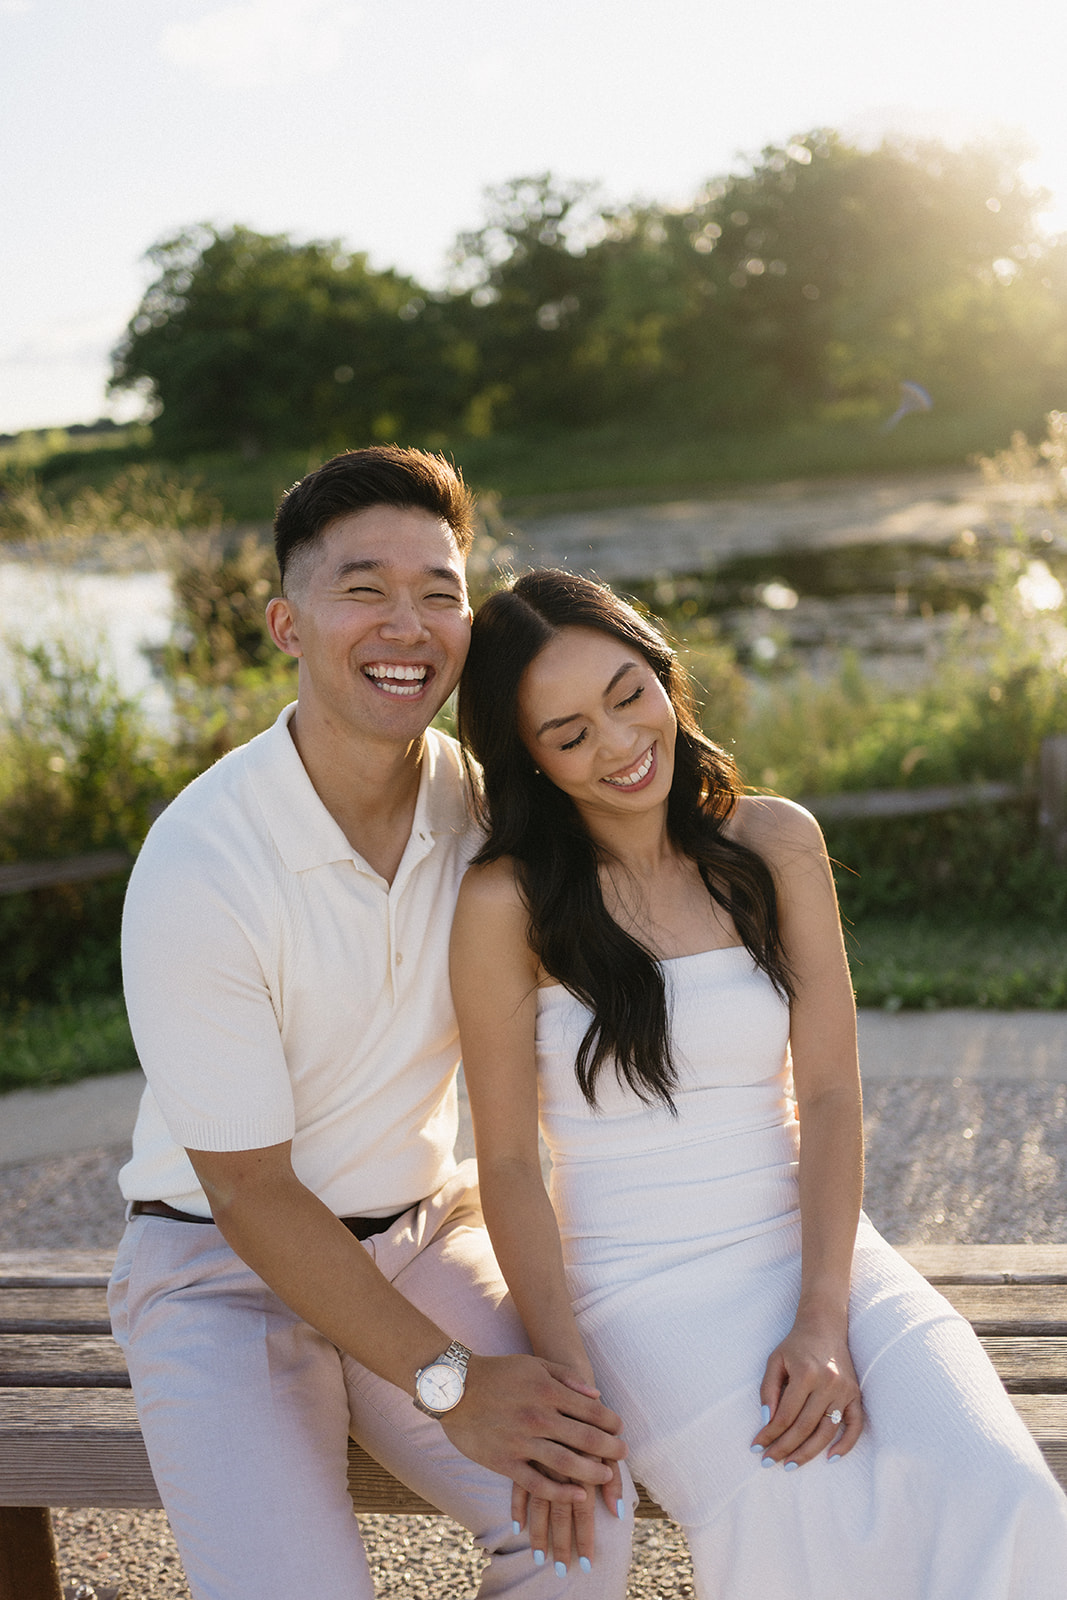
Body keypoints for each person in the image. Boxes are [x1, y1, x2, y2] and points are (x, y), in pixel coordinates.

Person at [450, 566, 1067, 1598]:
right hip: (637, 1289)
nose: (616, 743)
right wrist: (569, 1381)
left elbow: (827, 1093)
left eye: (624, 692)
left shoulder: (775, 842)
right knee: (800, 1507)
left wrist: (822, 1314)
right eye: (567, 735)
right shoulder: (506, 902)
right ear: (531, 763)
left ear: (659, 669)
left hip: (819, 1258)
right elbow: (507, 1162)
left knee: (997, 1488)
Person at [108, 453, 633, 1600]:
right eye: (364, 588)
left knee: (583, 1522)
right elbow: (247, 1190)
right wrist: (449, 1381)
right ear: (287, 624)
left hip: (417, 1236)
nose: (409, 623)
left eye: (439, 591)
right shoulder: (202, 863)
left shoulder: (486, 806)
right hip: (216, 1269)